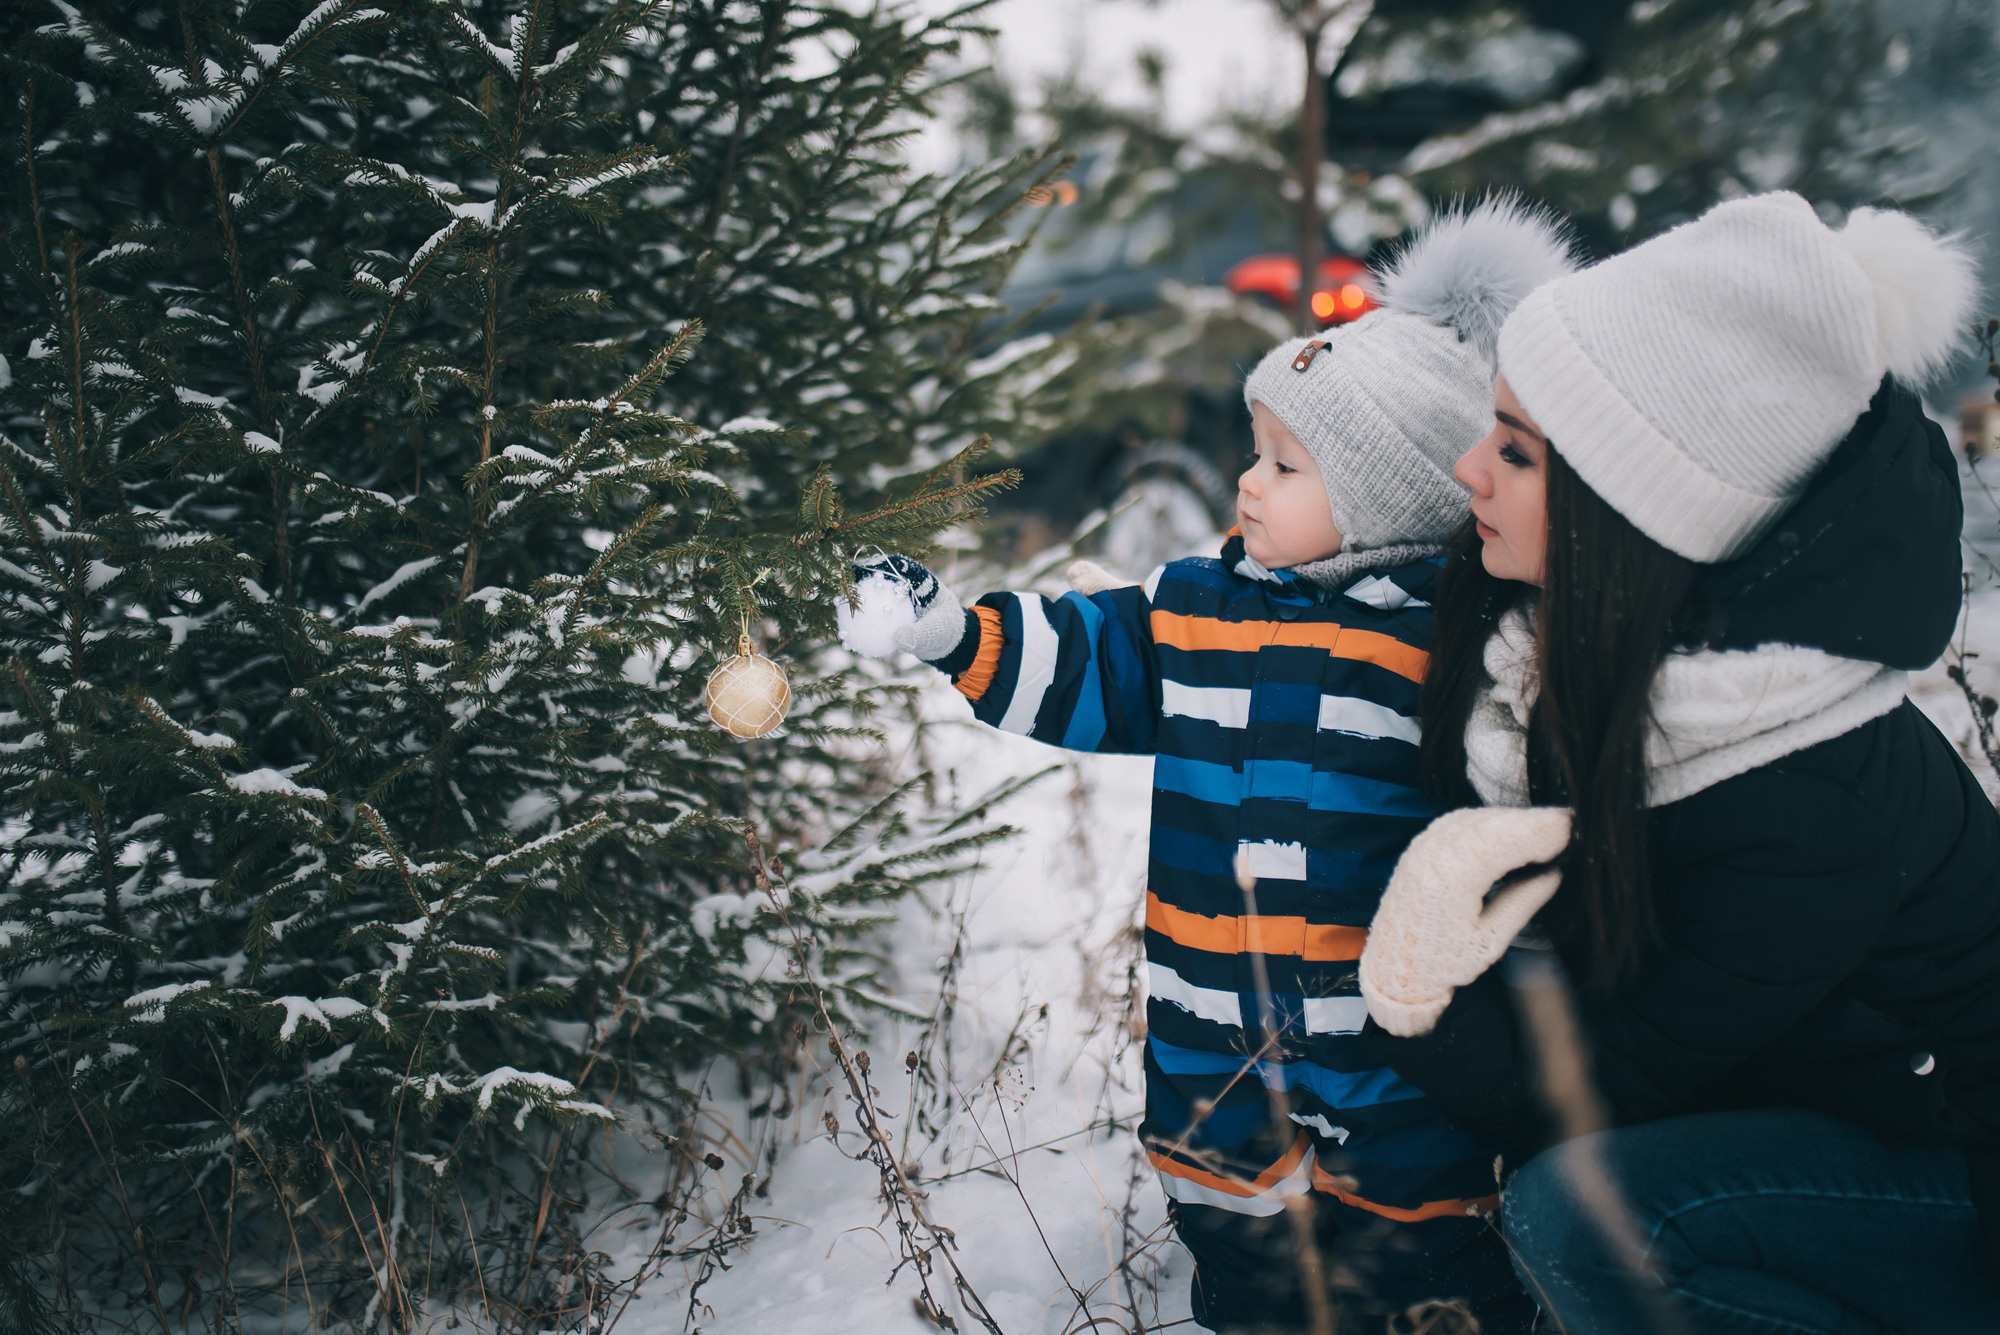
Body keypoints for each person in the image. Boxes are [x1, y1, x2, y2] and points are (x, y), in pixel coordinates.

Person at [834, 199, 1574, 1332]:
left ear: (1382, 496)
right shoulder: (1195, 608)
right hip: (1213, 1048)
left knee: (1426, 1279)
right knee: (1246, 1272)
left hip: (1397, 1066)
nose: (1247, 484)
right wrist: (952, 633)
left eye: (1285, 465)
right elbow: (1084, 658)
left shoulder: (1449, 642)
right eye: (1254, 453)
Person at [1354, 190, 2000, 1333]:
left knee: (1590, 1220)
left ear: (1635, 509)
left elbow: (1597, 1087)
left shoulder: (1803, 794)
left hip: (1950, 1178)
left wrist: (1418, 994)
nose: (1466, 469)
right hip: (1809, 1105)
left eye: (1514, 451)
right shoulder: (1565, 658)